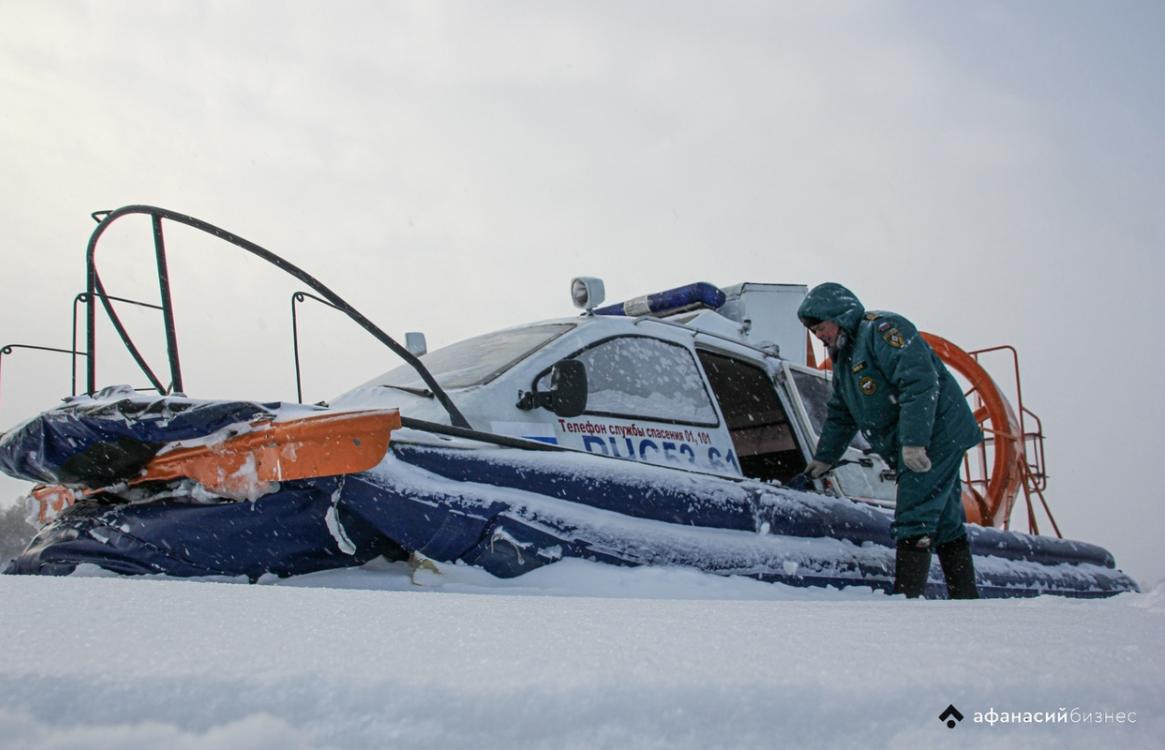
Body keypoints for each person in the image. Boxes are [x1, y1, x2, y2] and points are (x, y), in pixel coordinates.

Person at [797, 282, 982, 599]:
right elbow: (841, 413)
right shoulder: (845, 358)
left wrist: (914, 442)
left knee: (914, 515)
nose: (820, 336)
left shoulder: (883, 331)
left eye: (821, 328)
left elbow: (919, 383)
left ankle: (906, 600)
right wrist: (824, 457)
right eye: (814, 332)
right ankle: (965, 597)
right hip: (918, 440)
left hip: (936, 436)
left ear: (839, 316)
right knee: (946, 520)